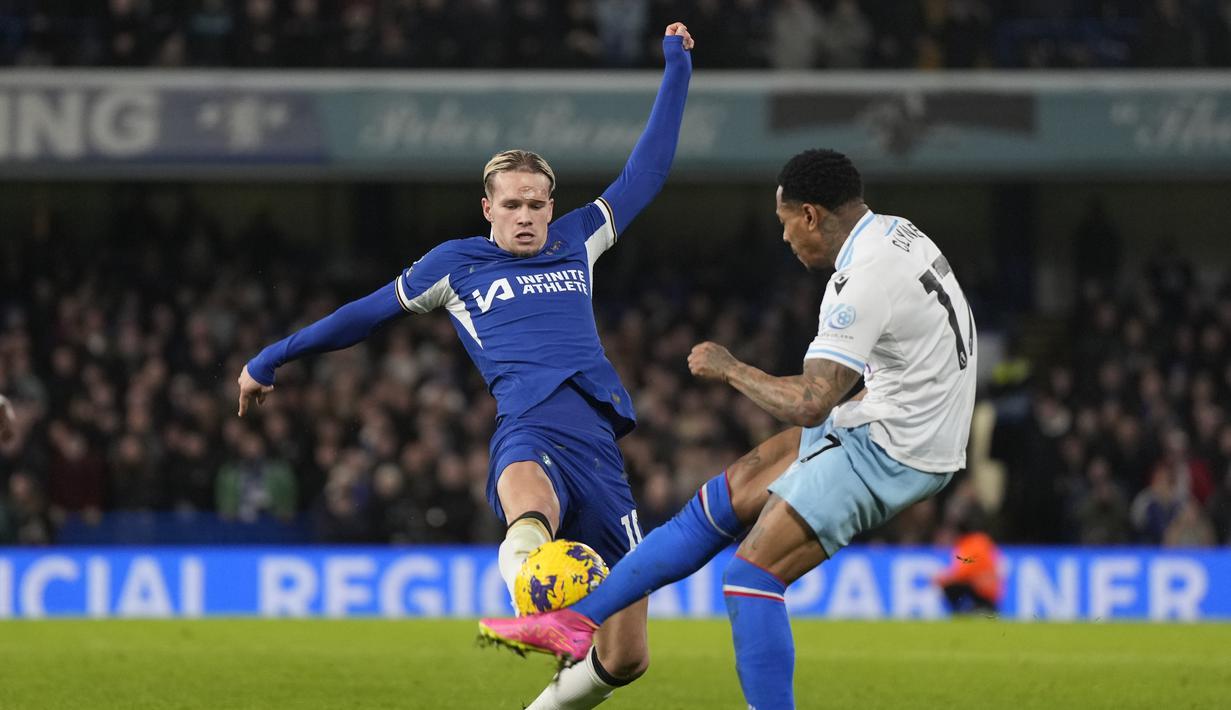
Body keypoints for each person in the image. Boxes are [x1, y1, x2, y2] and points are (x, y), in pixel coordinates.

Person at [237, 23, 694, 710]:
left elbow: (647, 173)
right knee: (527, 504)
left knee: (627, 659)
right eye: (512, 204)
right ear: (488, 208)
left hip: (599, 444)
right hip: (530, 422)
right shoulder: (453, 265)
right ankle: (532, 603)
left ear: (551, 206)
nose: (526, 216)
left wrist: (676, 66)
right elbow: (362, 315)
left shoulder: (577, 238)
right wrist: (272, 357)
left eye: (536, 204)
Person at [480, 148, 978, 710]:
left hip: (897, 447)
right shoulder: (896, 232)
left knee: (751, 578)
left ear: (810, 215)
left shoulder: (860, 281)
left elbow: (811, 403)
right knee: (725, 497)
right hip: (896, 415)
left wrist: (731, 368)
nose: (785, 238)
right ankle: (574, 622)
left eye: (786, 223)